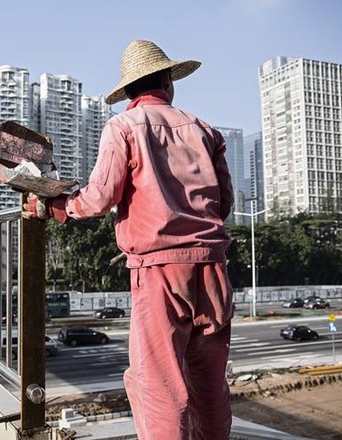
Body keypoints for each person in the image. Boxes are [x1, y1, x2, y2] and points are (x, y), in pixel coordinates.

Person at [23, 40, 234, 439]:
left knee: (159, 387)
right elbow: (224, 204)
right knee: (210, 384)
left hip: (158, 274)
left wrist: (59, 206)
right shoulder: (206, 130)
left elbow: (100, 198)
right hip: (213, 270)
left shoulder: (123, 127)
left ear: (130, 91)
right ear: (168, 81)